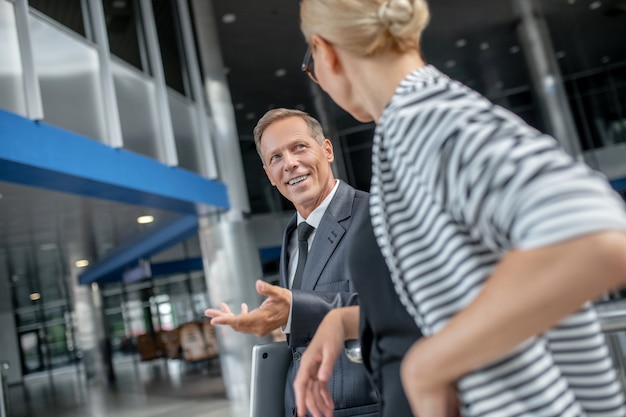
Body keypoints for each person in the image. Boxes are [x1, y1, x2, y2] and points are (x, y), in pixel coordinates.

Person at [293, 1, 626, 416]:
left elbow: (595, 237)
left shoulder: (425, 118)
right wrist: (341, 321)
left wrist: (428, 367)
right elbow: (466, 288)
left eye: (310, 62)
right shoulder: (402, 130)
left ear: (326, 51)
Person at [205, 108, 380, 417]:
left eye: (299, 147)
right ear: (269, 175)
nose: (289, 163)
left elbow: (392, 308)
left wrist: (293, 310)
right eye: (275, 158)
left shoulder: (373, 215)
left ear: (326, 150)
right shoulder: (291, 234)